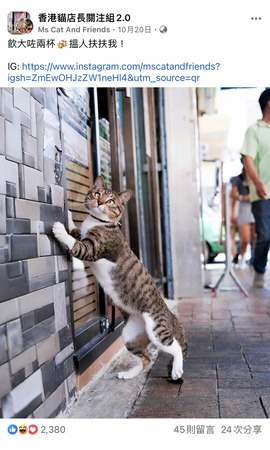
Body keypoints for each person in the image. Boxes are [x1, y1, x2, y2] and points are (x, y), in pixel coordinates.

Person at [241, 88, 270, 287]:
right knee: (265, 235)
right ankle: (259, 270)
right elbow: (248, 159)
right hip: (263, 193)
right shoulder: (255, 130)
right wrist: (258, 182)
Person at [230, 162, 256, 269]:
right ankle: (241, 257)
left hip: (256, 210)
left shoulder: (256, 177)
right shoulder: (238, 179)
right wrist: (244, 198)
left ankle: (254, 259)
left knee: (256, 237)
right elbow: (233, 195)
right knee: (245, 238)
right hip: (244, 211)